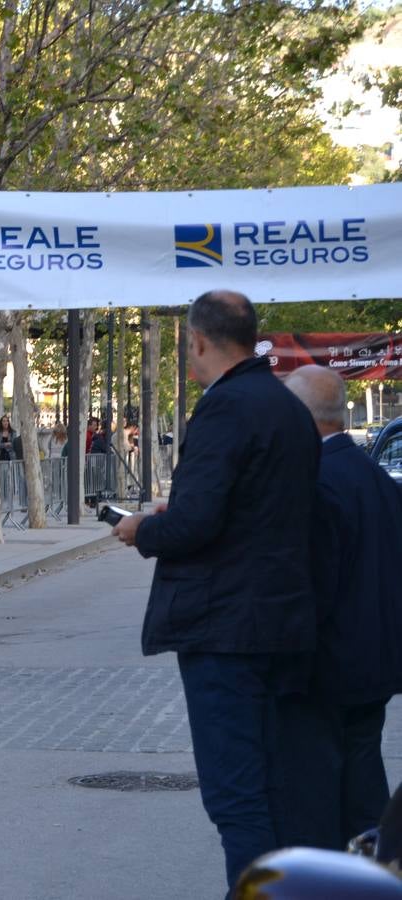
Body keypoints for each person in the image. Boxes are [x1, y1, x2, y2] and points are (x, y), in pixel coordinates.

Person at [111, 290, 319, 890]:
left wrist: (143, 529)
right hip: (282, 623)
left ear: (197, 341)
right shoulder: (287, 407)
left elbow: (197, 524)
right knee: (273, 787)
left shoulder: (224, 409)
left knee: (237, 796)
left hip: (226, 630)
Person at [273, 365, 402, 850]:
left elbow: (313, 588)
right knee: (363, 788)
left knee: (317, 802)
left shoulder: (317, 481)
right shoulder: (374, 478)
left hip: (325, 672)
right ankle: (374, 871)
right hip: (373, 665)